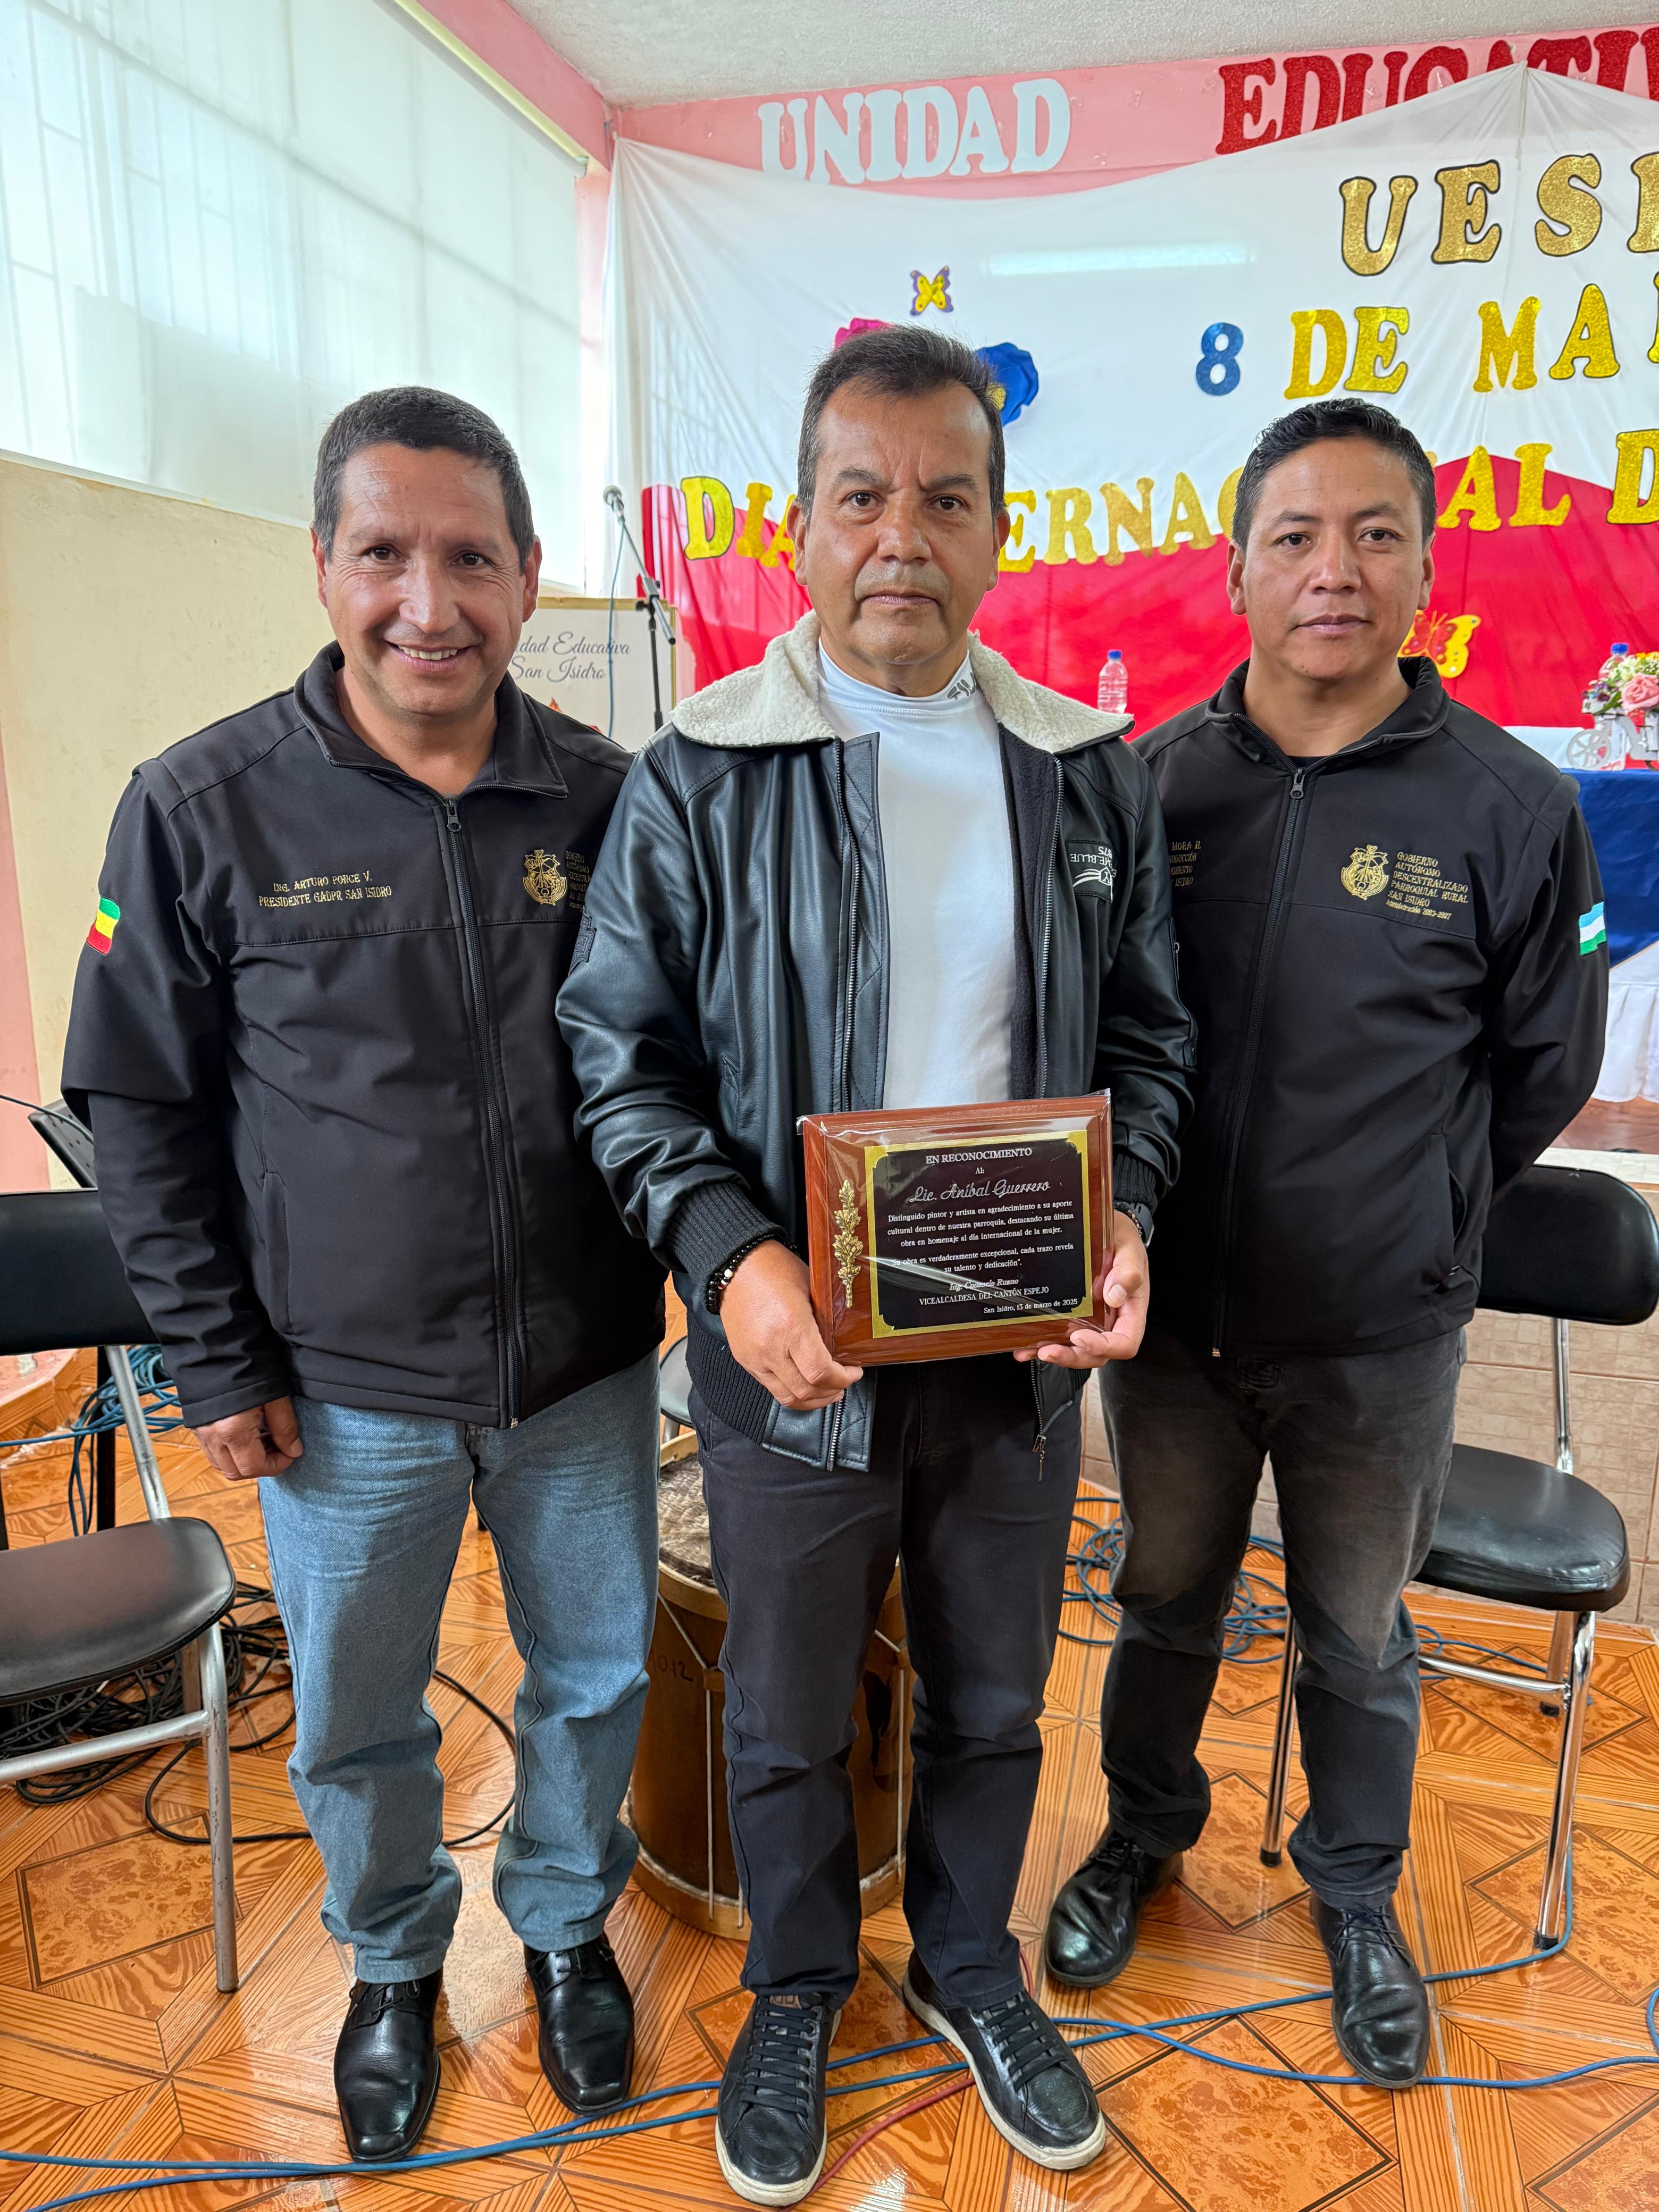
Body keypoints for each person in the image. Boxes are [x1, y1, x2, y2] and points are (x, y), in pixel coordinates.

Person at [558, 324, 1193, 2204]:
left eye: (945, 498)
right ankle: (797, 1988)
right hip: (794, 1348)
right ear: (800, 526)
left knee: (997, 1692)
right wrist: (728, 1251)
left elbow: (1150, 1042)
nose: (901, 535)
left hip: (1014, 1352)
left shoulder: (1084, 774)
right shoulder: (698, 774)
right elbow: (620, 1059)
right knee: (782, 1705)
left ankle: (973, 1966)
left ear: (1001, 529)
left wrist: (1129, 1213)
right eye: (861, 496)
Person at [62, 388, 666, 2160]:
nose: (429, 602)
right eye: (385, 553)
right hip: (340, 1394)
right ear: (322, 564)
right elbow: (142, 1111)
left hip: (582, 1367)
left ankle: (566, 1929)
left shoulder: (612, 800)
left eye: (471, 558)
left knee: (596, 1676)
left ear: (528, 573)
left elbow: (676, 1068)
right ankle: (393, 1962)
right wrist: (215, 1359)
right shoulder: (198, 810)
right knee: (352, 1714)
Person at [1044, 397, 1608, 2088]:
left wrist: (1417, 1206)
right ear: (1236, 571)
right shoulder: (1153, 784)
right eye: (1294, 537)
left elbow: (1545, 1067)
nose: (1334, 572)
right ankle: (1143, 1834)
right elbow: (1098, 1030)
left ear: (1427, 571)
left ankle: (1355, 1895)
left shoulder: (1512, 805)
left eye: (1375, 536)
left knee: (1360, 1632)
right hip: (1174, 1320)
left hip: (1379, 1334)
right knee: (1163, 1597)